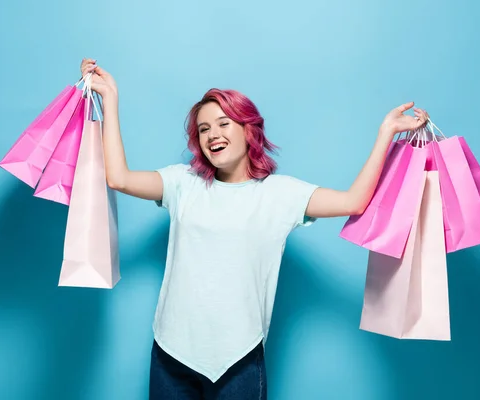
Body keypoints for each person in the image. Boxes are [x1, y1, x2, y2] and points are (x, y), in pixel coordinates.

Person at [80, 58, 430, 400]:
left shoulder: (282, 194)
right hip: (171, 355)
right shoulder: (180, 183)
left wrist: (386, 133)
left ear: (248, 130)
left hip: (240, 360)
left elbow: (354, 201)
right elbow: (119, 178)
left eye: (223, 124)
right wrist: (110, 98)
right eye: (204, 129)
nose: (213, 135)